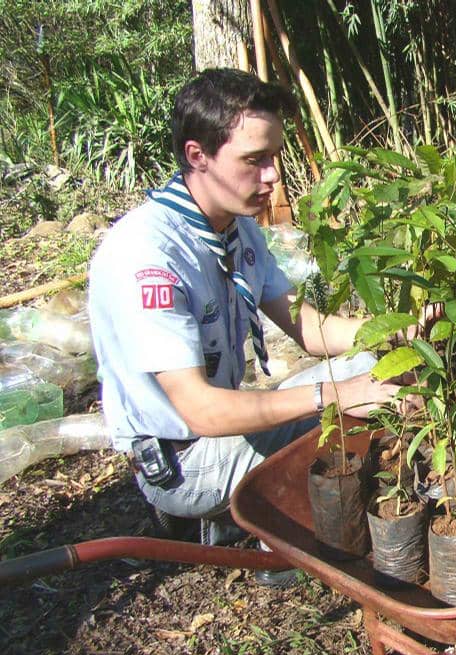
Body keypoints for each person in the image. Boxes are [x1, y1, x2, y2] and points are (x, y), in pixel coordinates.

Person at [88, 69, 400, 580]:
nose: (273, 175)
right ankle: (271, 534)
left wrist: (396, 335)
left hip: (218, 432)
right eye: (254, 160)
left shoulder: (236, 228)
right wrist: (338, 394)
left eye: (275, 158)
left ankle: (252, 513)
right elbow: (203, 411)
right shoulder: (147, 256)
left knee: (376, 366)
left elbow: (307, 326)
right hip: (184, 460)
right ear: (198, 156)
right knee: (351, 406)